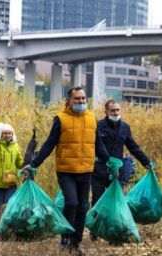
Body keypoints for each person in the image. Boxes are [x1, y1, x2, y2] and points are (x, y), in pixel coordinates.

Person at [23, 87, 109, 256]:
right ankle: (65, 236)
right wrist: (34, 164)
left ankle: (75, 244)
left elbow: (97, 143)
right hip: (66, 170)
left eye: (83, 98)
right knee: (71, 203)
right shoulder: (60, 119)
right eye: (77, 99)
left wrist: (109, 161)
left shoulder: (92, 119)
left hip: (86, 169)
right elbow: (49, 144)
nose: (81, 102)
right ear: (69, 100)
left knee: (83, 207)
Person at [90, 99, 153, 241]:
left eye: (117, 110)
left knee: (116, 202)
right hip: (99, 169)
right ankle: (95, 231)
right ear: (106, 112)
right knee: (97, 200)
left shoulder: (125, 127)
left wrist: (146, 162)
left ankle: (113, 232)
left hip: (116, 172)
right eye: (112, 111)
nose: (115, 113)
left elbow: (133, 146)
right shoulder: (97, 126)